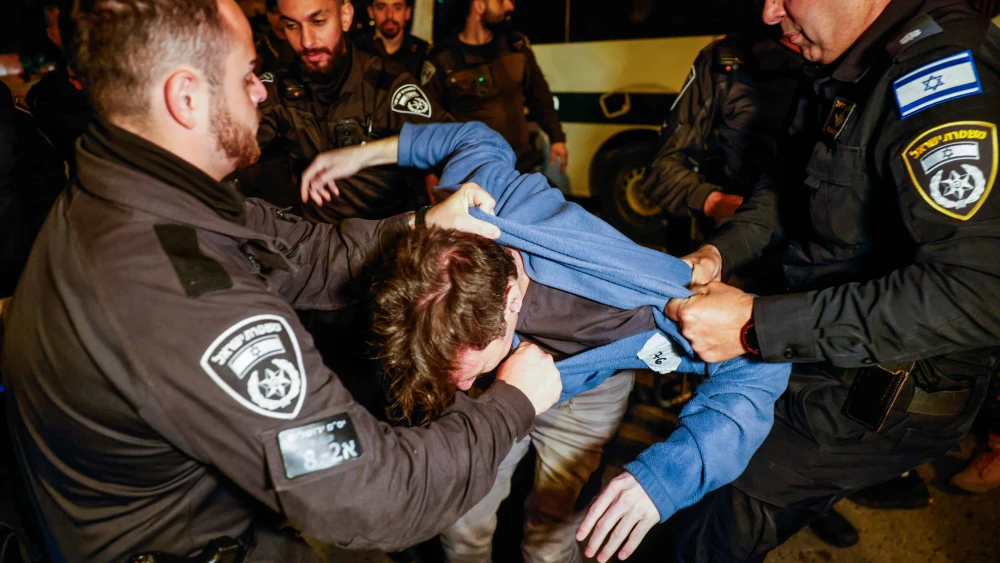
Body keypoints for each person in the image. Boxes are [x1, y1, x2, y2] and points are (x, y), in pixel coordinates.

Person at [0, 1, 564, 561]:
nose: (263, 91)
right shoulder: (191, 302)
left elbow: (303, 251)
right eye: (247, 75)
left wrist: (419, 225)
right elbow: (374, 494)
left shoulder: (136, 192)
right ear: (186, 98)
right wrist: (512, 404)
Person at [576, 0, 1000, 561]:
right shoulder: (843, 64)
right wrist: (717, 253)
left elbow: (976, 292)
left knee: (692, 532)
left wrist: (757, 326)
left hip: (877, 392)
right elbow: (785, 189)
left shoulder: (940, 74)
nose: (770, 13)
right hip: (810, 349)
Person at [302, 120, 791, 563]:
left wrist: (667, 477)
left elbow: (760, 363)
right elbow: (474, 138)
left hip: (587, 401)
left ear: (512, 296)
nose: (463, 384)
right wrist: (360, 155)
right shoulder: (475, 202)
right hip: (502, 402)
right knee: (463, 522)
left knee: (552, 538)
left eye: (470, 368)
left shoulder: (649, 299)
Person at [245, 0, 449, 223]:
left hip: (386, 240)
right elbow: (227, 147)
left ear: (345, 16)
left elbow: (455, 145)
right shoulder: (276, 89)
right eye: (292, 26)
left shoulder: (388, 85)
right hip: (313, 243)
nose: (307, 41)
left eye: (318, 22)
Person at [643, 31, 801, 225]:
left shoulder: (845, 67)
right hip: (747, 235)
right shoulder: (728, 58)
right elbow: (664, 165)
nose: (771, 10)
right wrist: (715, 202)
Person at [423, 0, 567, 174]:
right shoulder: (443, 58)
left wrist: (556, 137)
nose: (510, 7)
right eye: (500, 1)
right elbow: (428, 121)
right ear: (479, 5)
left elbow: (539, 95)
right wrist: (430, 173)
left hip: (519, 166)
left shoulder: (516, 48)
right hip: (470, 171)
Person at [353, 0, 431, 80]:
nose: (390, 15)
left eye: (397, 8)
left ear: (407, 12)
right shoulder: (357, 51)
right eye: (381, 8)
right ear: (371, 12)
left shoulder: (423, 53)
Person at [254, 0, 296, 74]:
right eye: (276, 12)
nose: (281, 19)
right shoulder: (260, 42)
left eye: (286, 12)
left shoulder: (306, 42)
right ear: (268, 15)